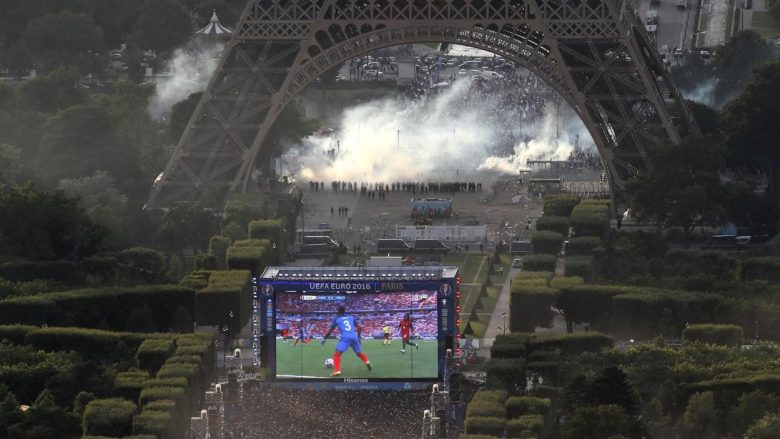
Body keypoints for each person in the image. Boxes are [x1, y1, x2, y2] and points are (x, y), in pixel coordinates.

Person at [321, 305, 372, 376]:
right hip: (354, 337)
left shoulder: (337, 319)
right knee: (359, 353)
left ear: (338, 311)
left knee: (337, 354)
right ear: (345, 311)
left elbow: (330, 330)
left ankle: (337, 371)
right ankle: (367, 362)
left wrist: (325, 338)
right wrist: (358, 337)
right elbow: (360, 328)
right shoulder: (351, 317)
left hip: (346, 338)